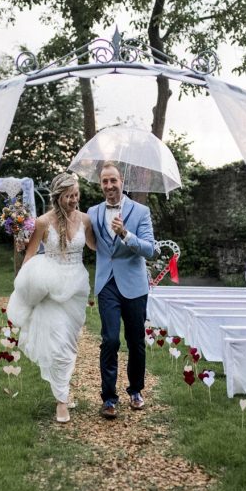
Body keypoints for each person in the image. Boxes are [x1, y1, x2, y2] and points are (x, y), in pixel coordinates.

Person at [7, 172, 92, 423]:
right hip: (50, 288)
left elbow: (95, 246)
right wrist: (26, 284)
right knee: (58, 345)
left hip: (75, 289)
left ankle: (63, 388)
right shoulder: (43, 222)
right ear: (57, 197)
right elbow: (30, 255)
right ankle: (61, 402)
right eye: (68, 196)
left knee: (70, 342)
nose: (73, 200)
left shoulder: (86, 220)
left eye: (76, 195)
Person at [87, 162, 156, 419]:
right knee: (111, 340)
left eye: (112, 181)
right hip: (107, 284)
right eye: (104, 181)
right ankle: (109, 398)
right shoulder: (92, 212)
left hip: (135, 285)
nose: (108, 186)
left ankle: (136, 390)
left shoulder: (141, 211)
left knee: (136, 340)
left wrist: (126, 234)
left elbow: (150, 249)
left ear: (121, 182)